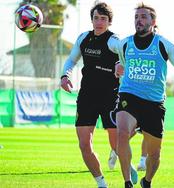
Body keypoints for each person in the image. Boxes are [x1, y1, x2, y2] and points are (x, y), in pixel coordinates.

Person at [114, 3, 174, 188]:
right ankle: (126, 182)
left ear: (153, 21)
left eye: (143, 17)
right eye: (136, 17)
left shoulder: (163, 44)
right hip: (129, 95)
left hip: (154, 103)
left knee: (155, 154)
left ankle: (146, 181)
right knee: (122, 133)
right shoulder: (124, 44)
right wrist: (119, 68)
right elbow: (122, 64)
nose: (138, 20)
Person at [60, 2, 120, 187]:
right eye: (96, 18)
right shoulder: (84, 38)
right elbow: (71, 60)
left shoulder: (114, 41)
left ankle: (121, 157)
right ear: (92, 19)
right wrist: (65, 75)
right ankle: (101, 183)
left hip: (110, 96)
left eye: (103, 19)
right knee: (84, 145)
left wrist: (121, 65)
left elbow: (127, 58)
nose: (99, 22)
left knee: (117, 141)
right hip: (86, 97)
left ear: (109, 22)